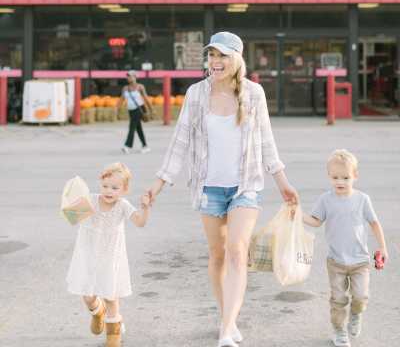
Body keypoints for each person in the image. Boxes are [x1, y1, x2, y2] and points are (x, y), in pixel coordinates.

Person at [145, 31, 298, 347]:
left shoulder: (254, 94)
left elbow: (267, 142)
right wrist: (157, 185)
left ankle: (226, 330)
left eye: (222, 56)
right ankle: (227, 314)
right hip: (208, 188)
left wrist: (282, 181)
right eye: (211, 55)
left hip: (245, 186)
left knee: (237, 251)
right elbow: (180, 143)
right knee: (217, 255)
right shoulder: (196, 95)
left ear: (236, 60)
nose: (215, 62)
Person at [302, 149, 388, 347]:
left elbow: (375, 223)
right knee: (338, 299)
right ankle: (339, 330)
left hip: (360, 261)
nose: (340, 181)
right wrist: (298, 215)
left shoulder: (362, 199)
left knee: (361, 296)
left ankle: (356, 315)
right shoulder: (326, 199)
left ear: (355, 176)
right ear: (329, 176)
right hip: (336, 261)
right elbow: (316, 221)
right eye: (335, 177)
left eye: (345, 177)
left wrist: (383, 247)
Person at [66, 162, 151, 347]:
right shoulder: (91, 199)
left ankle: (114, 332)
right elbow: (72, 217)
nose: (109, 191)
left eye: (115, 187)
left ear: (124, 189)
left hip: (110, 257)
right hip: (88, 255)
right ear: (100, 184)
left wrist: (145, 208)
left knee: (111, 296)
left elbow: (140, 222)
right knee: (88, 295)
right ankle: (97, 312)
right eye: (105, 186)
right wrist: (71, 201)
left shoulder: (123, 206)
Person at [120, 70, 153, 154]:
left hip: (139, 109)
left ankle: (127, 146)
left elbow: (146, 98)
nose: (128, 78)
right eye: (127, 76)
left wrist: (151, 109)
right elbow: (121, 100)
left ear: (135, 77)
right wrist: (117, 109)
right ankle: (145, 146)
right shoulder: (125, 88)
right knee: (138, 128)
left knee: (132, 127)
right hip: (130, 110)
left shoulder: (140, 87)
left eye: (130, 76)